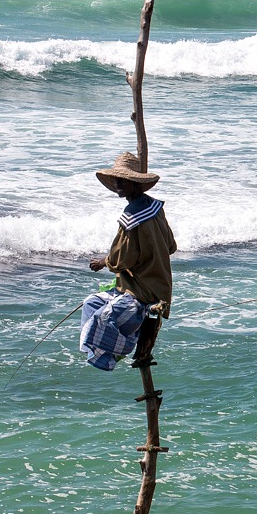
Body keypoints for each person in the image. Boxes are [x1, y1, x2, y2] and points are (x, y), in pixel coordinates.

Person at [81, 152, 177, 370]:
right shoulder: (156, 208)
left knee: (102, 317)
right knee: (91, 303)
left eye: (122, 180)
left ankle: (111, 355)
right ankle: (117, 348)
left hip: (141, 292)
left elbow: (120, 259)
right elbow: (171, 245)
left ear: (135, 183)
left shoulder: (131, 218)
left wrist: (102, 262)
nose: (117, 183)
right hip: (161, 285)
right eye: (116, 179)